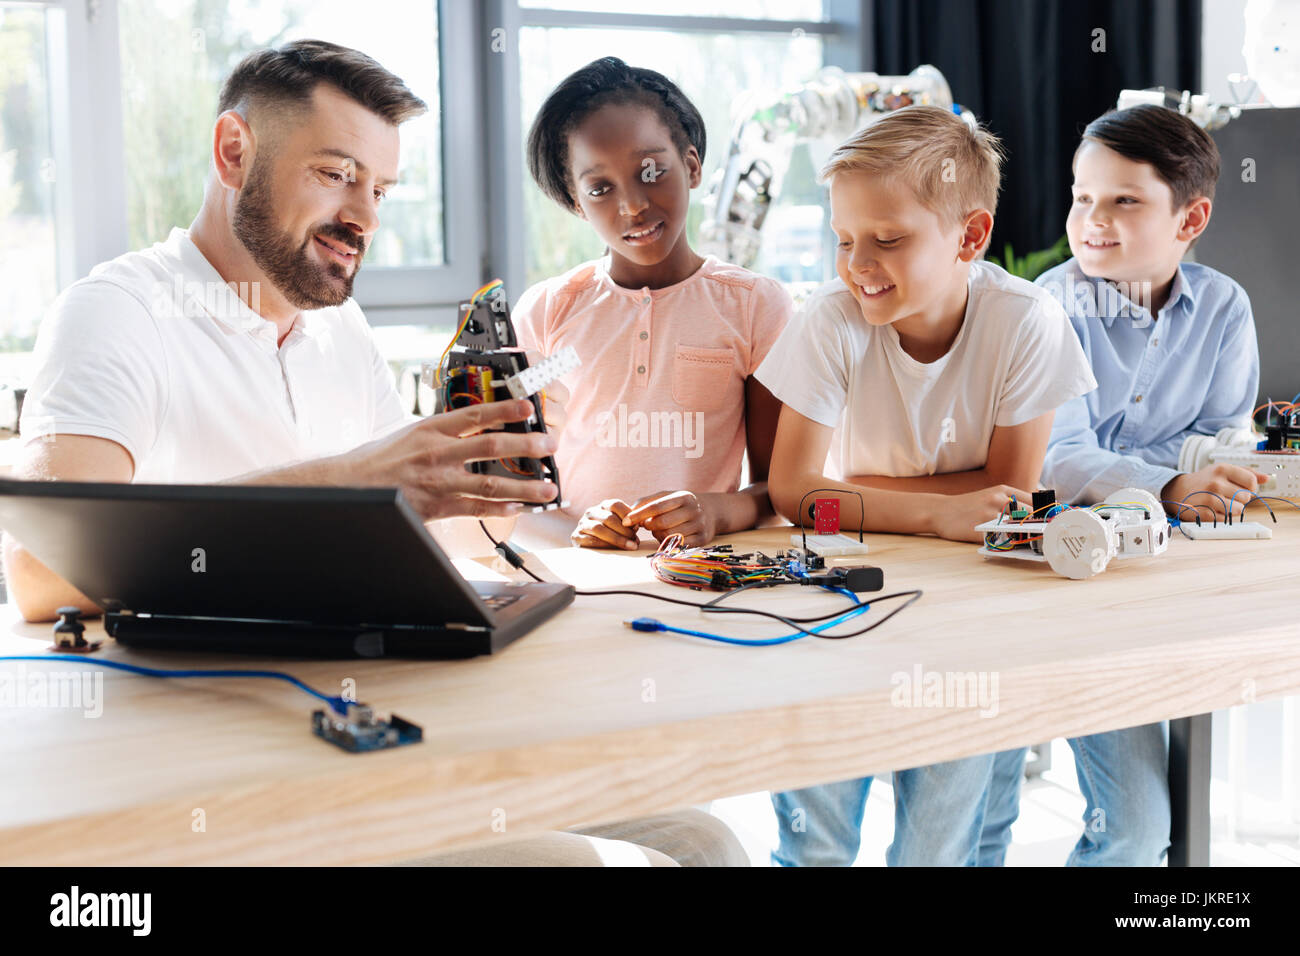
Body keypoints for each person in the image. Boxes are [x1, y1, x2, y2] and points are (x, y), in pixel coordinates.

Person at [6, 39, 744, 868]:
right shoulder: (118, 312)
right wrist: (352, 482)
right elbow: (40, 570)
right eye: (335, 173)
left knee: (703, 839)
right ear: (233, 152)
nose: (364, 214)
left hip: (372, 720)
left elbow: (423, 532)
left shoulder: (337, 331)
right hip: (225, 770)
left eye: (380, 188)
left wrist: (498, 497)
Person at [754, 106, 1096, 865]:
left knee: (942, 844)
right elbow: (791, 493)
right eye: (845, 240)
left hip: (973, 608)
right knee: (816, 840)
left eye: (889, 239)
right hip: (839, 593)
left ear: (971, 237)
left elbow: (1011, 490)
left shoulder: (1026, 321)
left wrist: (854, 489)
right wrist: (942, 513)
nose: (857, 264)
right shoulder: (830, 321)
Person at [983, 104, 1263, 866]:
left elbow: (1219, 439)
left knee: (1138, 831)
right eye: (1081, 197)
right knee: (981, 821)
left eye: (1123, 200)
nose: (1092, 220)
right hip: (1040, 582)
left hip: (1159, 579)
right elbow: (1055, 458)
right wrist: (1171, 481)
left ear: (1190, 217)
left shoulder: (1225, 309)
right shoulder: (1044, 308)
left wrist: (1189, 474)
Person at [513, 56, 790, 551]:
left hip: (705, 575)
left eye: (650, 170)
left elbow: (780, 492)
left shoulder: (754, 307)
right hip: (587, 581)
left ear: (691, 165)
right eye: (600, 188)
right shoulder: (549, 313)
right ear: (576, 202)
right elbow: (519, 492)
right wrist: (572, 527)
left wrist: (716, 511)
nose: (633, 205)